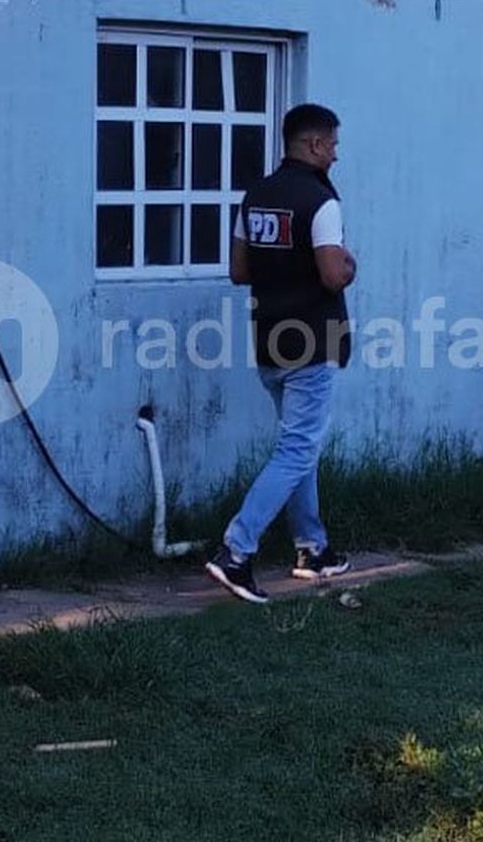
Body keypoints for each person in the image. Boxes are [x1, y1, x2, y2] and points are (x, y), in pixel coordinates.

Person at [205, 104, 356, 604]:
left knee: (300, 448)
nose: (335, 153)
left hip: (269, 337)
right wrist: (349, 266)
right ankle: (236, 551)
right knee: (296, 449)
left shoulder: (257, 195)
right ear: (313, 145)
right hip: (312, 341)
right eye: (332, 144)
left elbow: (239, 271)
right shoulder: (321, 202)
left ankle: (313, 549)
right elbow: (334, 274)